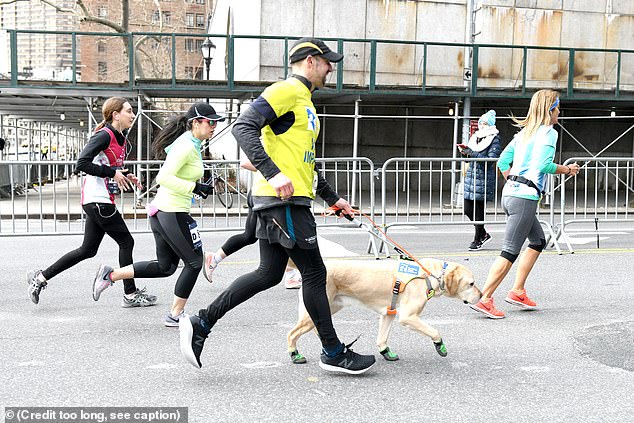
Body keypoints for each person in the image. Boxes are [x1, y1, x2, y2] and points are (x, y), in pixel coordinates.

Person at [179, 37, 376, 374]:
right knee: (314, 272)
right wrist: (273, 173)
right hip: (282, 201)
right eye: (328, 62)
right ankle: (332, 351)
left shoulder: (306, 102)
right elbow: (243, 127)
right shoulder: (286, 90)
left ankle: (201, 322)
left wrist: (333, 198)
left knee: (269, 273)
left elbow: (305, 163)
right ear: (311, 62)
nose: (331, 68)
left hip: (290, 198)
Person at [92, 102, 224, 327]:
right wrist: (194, 187)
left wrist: (196, 186)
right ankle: (175, 314)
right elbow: (163, 178)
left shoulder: (192, 143)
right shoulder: (185, 146)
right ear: (195, 123)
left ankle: (110, 275)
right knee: (193, 263)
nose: (214, 126)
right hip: (171, 211)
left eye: (216, 122)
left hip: (165, 211)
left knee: (166, 267)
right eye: (210, 122)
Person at [26, 97, 155, 308]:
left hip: (99, 201)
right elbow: (82, 163)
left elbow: (107, 166)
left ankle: (40, 278)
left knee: (87, 250)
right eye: (129, 111)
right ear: (116, 115)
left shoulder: (118, 138)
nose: (133, 115)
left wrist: (125, 175)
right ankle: (130, 294)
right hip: (98, 201)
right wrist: (112, 173)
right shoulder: (104, 136)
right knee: (126, 242)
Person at [470, 89, 580, 319]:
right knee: (509, 251)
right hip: (524, 198)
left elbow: (502, 161)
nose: (560, 112)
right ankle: (485, 299)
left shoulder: (524, 133)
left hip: (511, 195)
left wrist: (513, 180)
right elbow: (543, 165)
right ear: (550, 110)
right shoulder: (549, 133)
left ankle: (518, 291)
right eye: (558, 108)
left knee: (538, 241)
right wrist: (567, 170)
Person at [202, 159, 302, 289]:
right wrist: (276, 173)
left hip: (265, 195)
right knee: (282, 235)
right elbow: (245, 162)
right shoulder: (269, 141)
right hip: (265, 195)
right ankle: (291, 275)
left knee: (252, 236)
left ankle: (214, 258)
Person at [458, 109, 502, 251]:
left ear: (490, 124)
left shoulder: (494, 138)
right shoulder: (475, 137)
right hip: (471, 177)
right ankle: (483, 233)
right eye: (480, 122)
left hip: (484, 179)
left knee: (478, 211)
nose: (481, 125)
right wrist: (465, 153)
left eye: (484, 123)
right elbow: (469, 159)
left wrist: (472, 153)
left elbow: (490, 160)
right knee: (467, 209)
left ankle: (478, 239)